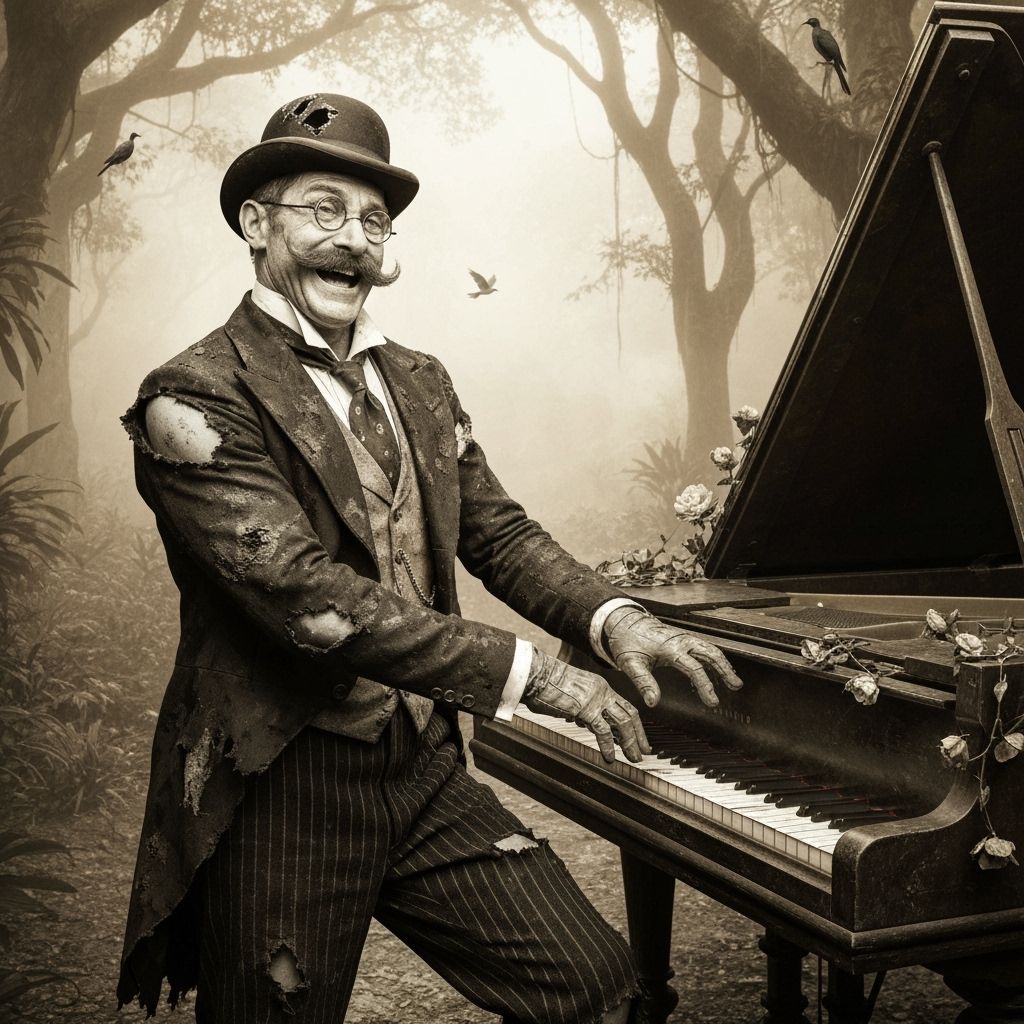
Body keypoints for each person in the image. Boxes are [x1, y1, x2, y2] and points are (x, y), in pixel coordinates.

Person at [116, 93, 742, 1024]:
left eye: (374, 220)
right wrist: (538, 678)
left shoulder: (420, 378)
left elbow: (499, 532)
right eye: (324, 209)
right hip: (285, 781)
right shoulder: (190, 394)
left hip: (423, 769)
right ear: (256, 224)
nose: (354, 241)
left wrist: (616, 618)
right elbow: (302, 594)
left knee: (596, 987)